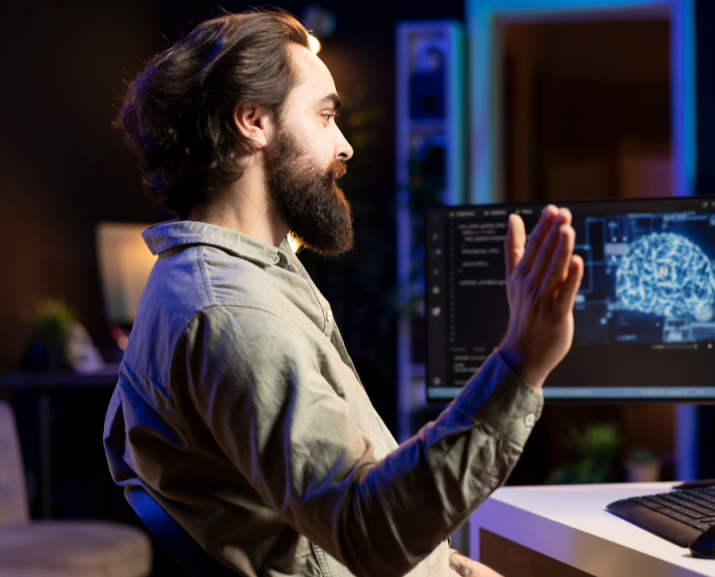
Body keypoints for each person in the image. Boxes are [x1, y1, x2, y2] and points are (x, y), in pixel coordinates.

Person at [101, 9, 584, 577]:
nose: (346, 146)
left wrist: (447, 565)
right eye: (326, 116)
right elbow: (368, 531)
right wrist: (522, 360)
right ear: (253, 121)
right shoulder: (231, 313)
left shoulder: (231, 275)